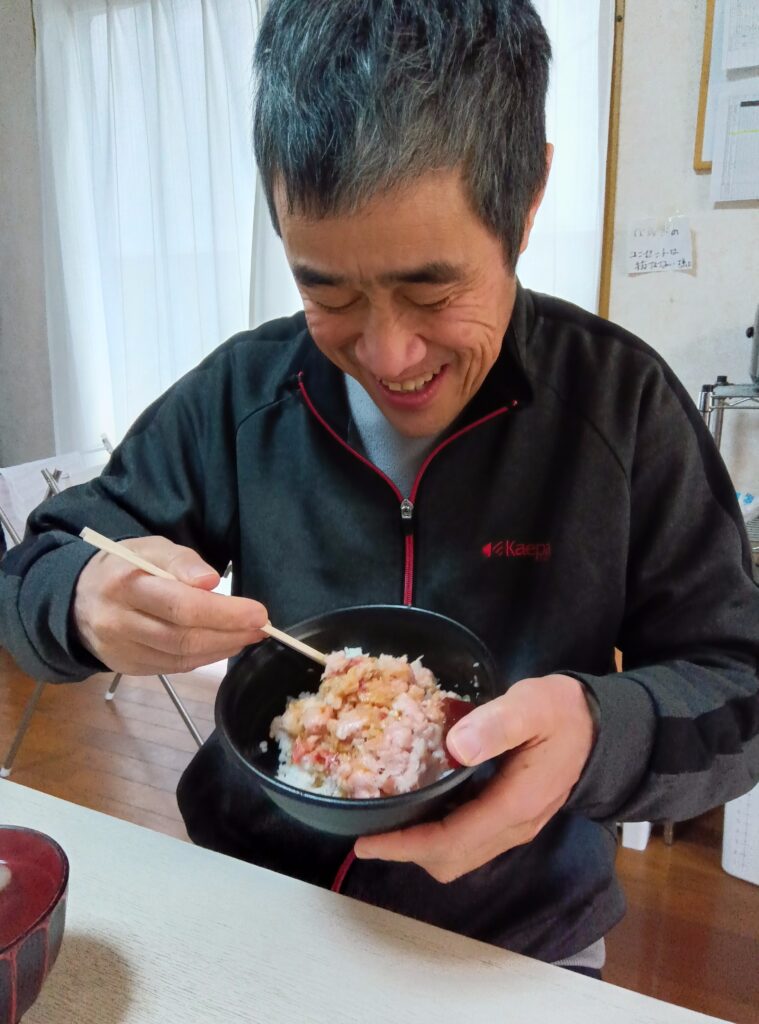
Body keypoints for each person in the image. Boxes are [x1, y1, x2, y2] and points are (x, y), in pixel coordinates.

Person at [1, 0, 758, 980]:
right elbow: (38, 564)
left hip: (523, 934)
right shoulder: (243, 394)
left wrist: (594, 735)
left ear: (528, 201)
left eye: (433, 292)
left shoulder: (621, 405)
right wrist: (79, 602)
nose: (389, 354)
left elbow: (736, 680)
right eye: (328, 293)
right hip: (254, 896)